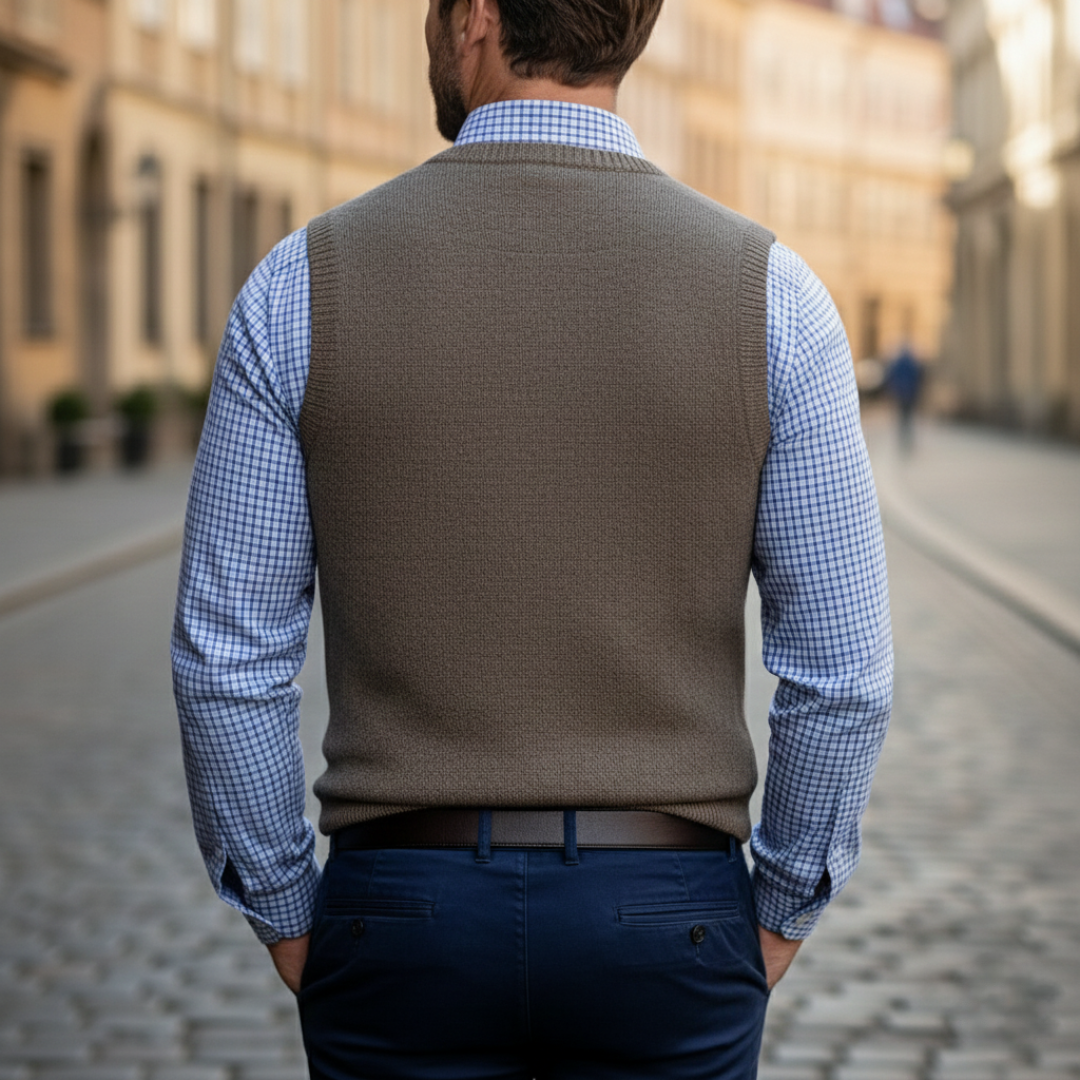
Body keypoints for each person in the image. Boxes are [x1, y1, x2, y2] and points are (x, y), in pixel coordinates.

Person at [171, 1, 893, 1076]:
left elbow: (227, 659)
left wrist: (284, 912)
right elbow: (844, 674)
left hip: (402, 909)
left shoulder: (301, 285)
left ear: (475, 18)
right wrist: (781, 914)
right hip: (668, 915)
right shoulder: (774, 298)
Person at [885, 341, 923, 453]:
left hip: (900, 392)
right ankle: (907, 438)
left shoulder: (898, 363)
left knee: (902, 416)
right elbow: (918, 377)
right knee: (908, 416)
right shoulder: (912, 363)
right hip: (910, 393)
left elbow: (891, 377)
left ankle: (903, 437)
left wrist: (892, 391)